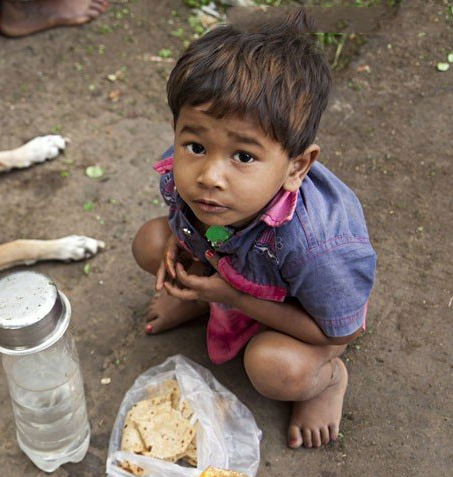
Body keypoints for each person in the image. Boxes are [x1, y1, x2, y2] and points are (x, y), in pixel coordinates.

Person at [131, 10, 376, 449]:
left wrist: (232, 296)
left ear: (297, 166)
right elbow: (180, 217)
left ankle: (329, 381)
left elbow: (342, 331)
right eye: (196, 145)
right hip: (233, 270)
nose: (210, 176)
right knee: (150, 242)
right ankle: (203, 304)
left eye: (243, 156)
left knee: (274, 369)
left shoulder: (317, 247)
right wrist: (178, 240)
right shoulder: (189, 174)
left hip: (300, 311)